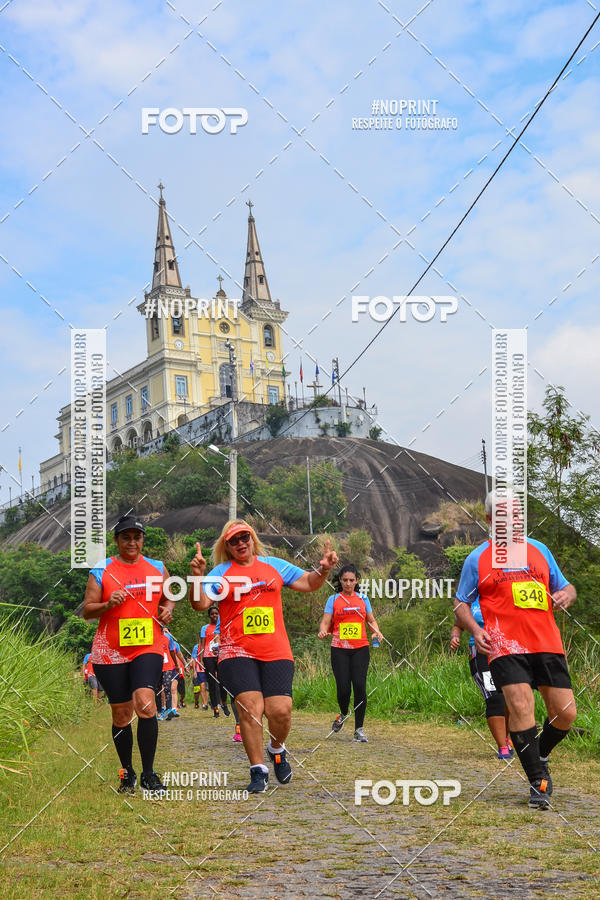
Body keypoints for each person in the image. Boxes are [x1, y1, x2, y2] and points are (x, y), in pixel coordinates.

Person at [190, 520, 338, 793]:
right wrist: (198, 577)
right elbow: (200, 603)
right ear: (227, 546)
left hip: (276, 650)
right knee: (250, 708)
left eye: (244, 537)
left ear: (252, 538)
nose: (240, 543)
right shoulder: (220, 573)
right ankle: (258, 770)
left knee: (280, 711)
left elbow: (309, 582)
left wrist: (324, 570)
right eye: (233, 540)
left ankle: (277, 749)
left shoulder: (273, 565)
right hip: (236, 650)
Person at [454, 491, 577, 809]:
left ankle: (541, 753)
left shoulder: (539, 550)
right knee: (521, 706)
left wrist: (565, 595)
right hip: (504, 645)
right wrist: (475, 629)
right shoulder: (477, 559)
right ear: (491, 520)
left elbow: (565, 585)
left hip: (547, 643)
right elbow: (460, 604)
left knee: (565, 714)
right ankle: (538, 783)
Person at [83, 515, 173, 796]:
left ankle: (149, 773)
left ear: (142, 539)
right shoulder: (103, 569)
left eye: (137, 537)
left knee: (146, 704)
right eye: (126, 537)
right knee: (121, 715)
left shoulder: (158, 568)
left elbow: (169, 596)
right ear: (117, 540)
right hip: (110, 650)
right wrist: (108, 603)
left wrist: (168, 609)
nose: (132, 542)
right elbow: (87, 610)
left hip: (147, 645)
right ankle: (127, 772)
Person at [318, 564, 383, 742]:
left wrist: (376, 631)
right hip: (339, 649)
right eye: (345, 580)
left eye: (351, 580)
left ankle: (359, 730)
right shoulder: (333, 599)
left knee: (360, 686)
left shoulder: (363, 599)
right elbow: (325, 621)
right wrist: (323, 631)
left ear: (357, 581)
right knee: (344, 688)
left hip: (360, 648)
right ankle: (343, 713)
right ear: (340, 580)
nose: (348, 583)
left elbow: (371, 620)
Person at [450, 600, 512, 759]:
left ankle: (507, 736)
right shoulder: (471, 601)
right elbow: (458, 624)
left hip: (507, 651)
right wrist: (455, 636)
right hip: (481, 653)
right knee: (494, 697)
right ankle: (502, 747)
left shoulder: (505, 593)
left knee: (511, 697)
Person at [200, 606, 230, 718]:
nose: (214, 616)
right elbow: (202, 645)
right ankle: (215, 709)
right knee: (212, 683)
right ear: (209, 615)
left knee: (223, 681)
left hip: (220, 655)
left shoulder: (222, 626)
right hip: (208, 656)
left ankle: (224, 705)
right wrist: (201, 659)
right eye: (212, 614)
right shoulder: (205, 628)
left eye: (216, 614)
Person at [190, 639, 209, 709]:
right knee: (202, 686)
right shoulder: (196, 647)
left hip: (208, 668)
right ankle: (203, 703)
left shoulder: (208, 646)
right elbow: (193, 659)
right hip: (199, 669)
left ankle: (206, 703)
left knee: (207, 687)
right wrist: (194, 671)